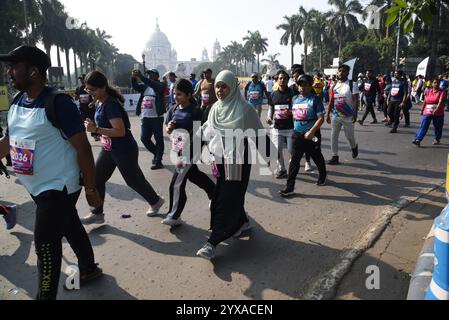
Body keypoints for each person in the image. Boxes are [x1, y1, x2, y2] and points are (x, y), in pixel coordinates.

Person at [0, 45, 103, 300]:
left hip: (58, 187)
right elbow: (9, 138)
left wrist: (91, 189)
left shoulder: (58, 103)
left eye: (15, 67)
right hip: (36, 187)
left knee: (45, 245)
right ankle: (88, 268)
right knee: (69, 225)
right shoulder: (18, 101)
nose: (10, 72)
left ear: (33, 71)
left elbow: (83, 149)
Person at [197, 70, 266, 260]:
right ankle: (242, 222)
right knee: (227, 195)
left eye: (224, 86)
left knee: (223, 200)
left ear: (233, 87)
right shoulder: (215, 109)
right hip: (219, 160)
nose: (220, 90)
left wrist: (274, 160)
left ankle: (212, 242)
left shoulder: (245, 109)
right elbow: (206, 130)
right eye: (217, 86)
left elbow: (259, 134)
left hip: (237, 160)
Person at [80, 71, 165, 225]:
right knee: (97, 178)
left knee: (133, 180)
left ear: (103, 87)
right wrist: (98, 131)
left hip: (123, 149)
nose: (90, 93)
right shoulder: (100, 101)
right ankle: (97, 213)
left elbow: (120, 131)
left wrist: (96, 129)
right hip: (109, 148)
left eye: (93, 90)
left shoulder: (110, 104)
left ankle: (155, 201)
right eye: (88, 89)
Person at [162, 79, 215, 227]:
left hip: (190, 151)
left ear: (189, 95)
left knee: (176, 183)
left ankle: (174, 215)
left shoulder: (196, 111)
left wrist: (188, 153)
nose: (175, 97)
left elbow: (199, 135)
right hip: (177, 150)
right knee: (194, 176)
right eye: (174, 94)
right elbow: (167, 127)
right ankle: (215, 193)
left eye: (179, 94)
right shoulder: (173, 109)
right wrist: (169, 128)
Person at [279, 75, 327, 197]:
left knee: (317, 156)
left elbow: (321, 118)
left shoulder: (315, 99)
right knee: (294, 161)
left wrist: (312, 131)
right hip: (297, 135)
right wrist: (289, 113)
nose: (303, 87)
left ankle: (322, 175)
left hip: (312, 135)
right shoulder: (295, 99)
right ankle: (289, 187)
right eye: (300, 84)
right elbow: (296, 113)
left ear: (310, 86)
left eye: (305, 84)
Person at [131, 69, 166, 170]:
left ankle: (158, 161)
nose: (149, 76)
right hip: (145, 118)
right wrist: (133, 78)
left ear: (157, 76)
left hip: (156, 118)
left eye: (151, 74)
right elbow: (135, 87)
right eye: (148, 74)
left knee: (159, 139)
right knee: (144, 138)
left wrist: (142, 77)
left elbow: (154, 85)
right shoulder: (145, 86)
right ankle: (157, 153)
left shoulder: (161, 85)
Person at [326, 64, 360, 165]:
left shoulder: (351, 84)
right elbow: (331, 100)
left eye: (344, 71)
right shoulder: (334, 85)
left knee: (349, 136)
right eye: (339, 71)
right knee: (334, 135)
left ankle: (354, 147)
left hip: (348, 115)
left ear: (347, 73)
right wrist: (328, 114)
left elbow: (355, 100)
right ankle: (334, 156)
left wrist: (355, 114)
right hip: (336, 115)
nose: (341, 73)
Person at [267, 70, 295, 179]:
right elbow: (271, 108)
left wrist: (291, 112)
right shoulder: (273, 94)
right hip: (277, 128)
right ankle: (282, 169)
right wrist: (269, 117)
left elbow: (296, 108)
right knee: (277, 150)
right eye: (280, 78)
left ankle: (293, 167)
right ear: (277, 80)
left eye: (284, 78)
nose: (282, 80)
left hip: (290, 128)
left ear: (288, 80)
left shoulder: (292, 94)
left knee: (291, 150)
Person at [413, 78, 446, 147]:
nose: (436, 84)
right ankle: (418, 139)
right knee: (424, 125)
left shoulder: (441, 92)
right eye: (434, 82)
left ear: (439, 84)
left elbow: (440, 101)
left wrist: (436, 109)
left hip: (438, 112)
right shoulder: (428, 91)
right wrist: (422, 110)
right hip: (427, 111)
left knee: (438, 127)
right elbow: (425, 101)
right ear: (432, 83)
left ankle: (437, 139)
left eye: (437, 83)